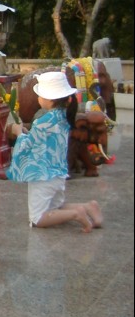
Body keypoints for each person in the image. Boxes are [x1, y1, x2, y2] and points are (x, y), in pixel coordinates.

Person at [6, 72, 103, 232]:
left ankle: (77, 214)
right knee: (55, 207)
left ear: (48, 99)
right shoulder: (64, 117)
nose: (38, 98)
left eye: (39, 95)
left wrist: (18, 133)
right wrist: (26, 132)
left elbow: (27, 146)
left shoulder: (42, 122)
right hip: (58, 173)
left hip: (43, 176)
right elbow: (43, 141)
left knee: (38, 218)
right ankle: (88, 207)